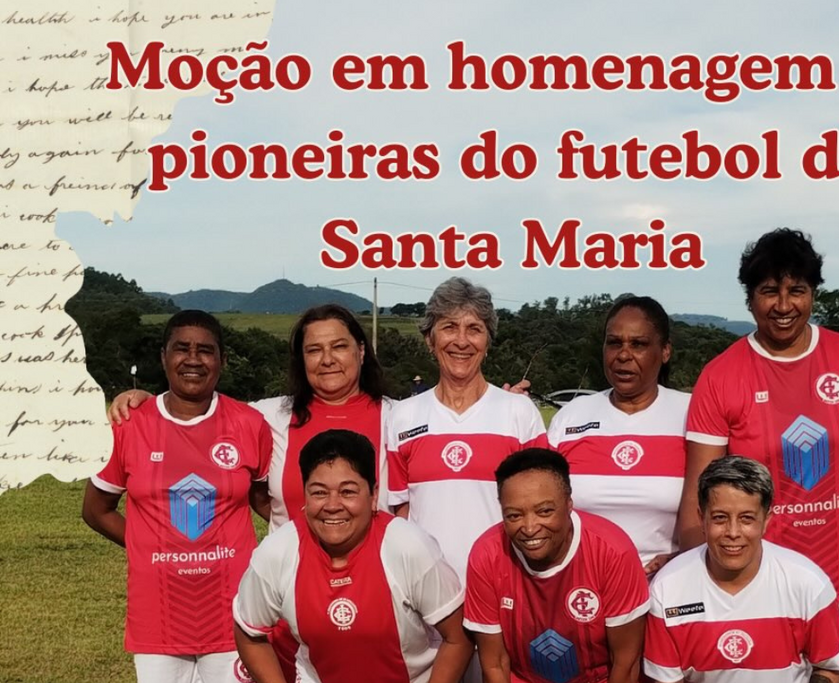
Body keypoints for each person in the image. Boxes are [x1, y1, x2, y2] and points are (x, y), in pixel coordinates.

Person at [678, 228, 839, 683]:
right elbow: (699, 492)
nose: (784, 306)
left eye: (797, 291)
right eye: (769, 291)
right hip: (763, 589)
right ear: (750, 299)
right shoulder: (720, 377)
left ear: (813, 294)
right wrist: (703, 586)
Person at [109, 304, 390, 681]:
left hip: (376, 592)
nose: (327, 360)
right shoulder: (269, 416)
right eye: (313, 349)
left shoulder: (398, 417)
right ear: (300, 359)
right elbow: (201, 411)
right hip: (290, 596)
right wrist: (144, 400)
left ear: (360, 349)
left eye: (338, 346)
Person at [82, 310, 272, 683]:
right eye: (181, 348)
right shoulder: (129, 424)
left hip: (233, 612)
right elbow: (96, 509)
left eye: (206, 350)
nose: (193, 359)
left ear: (222, 360)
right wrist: (147, 544)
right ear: (163, 356)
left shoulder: (249, 423)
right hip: (158, 617)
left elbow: (265, 501)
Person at [233, 429, 473, 683]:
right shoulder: (277, 552)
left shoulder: (409, 547)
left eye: (347, 492)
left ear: (374, 496)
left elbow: (458, 636)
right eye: (318, 492)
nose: (333, 505)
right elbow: (248, 632)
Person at [387, 276, 547, 583]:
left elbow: (542, 508)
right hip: (425, 592)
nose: (462, 341)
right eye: (449, 327)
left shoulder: (519, 412)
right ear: (429, 340)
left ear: (487, 342)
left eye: (474, 329)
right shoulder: (402, 417)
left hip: (503, 587)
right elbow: (401, 514)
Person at [645, 456, 839, 683]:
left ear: (766, 520)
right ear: (702, 518)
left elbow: (829, 669)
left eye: (746, 519)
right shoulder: (667, 588)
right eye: (720, 518)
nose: (733, 532)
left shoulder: (809, 583)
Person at [463, 448, 649, 683]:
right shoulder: (486, 555)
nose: (530, 528)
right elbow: (495, 663)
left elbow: (625, 662)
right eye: (514, 516)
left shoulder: (613, 551)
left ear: (569, 504)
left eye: (544, 511)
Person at [547, 295, 689, 576]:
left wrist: (685, 559)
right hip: (581, 587)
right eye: (614, 343)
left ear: (665, 351)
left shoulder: (692, 415)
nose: (624, 355)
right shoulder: (571, 417)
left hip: (667, 588)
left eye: (638, 344)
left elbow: (723, 507)